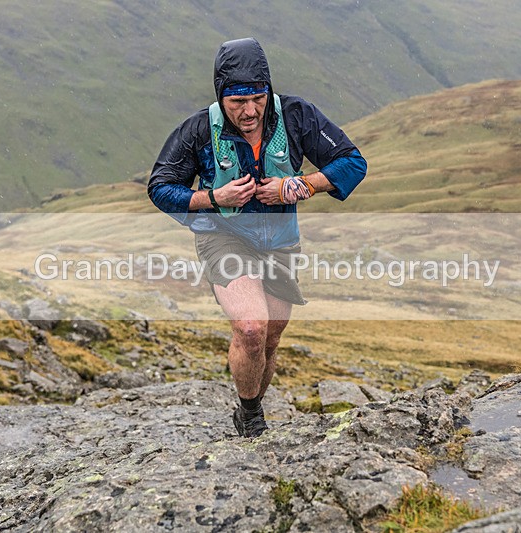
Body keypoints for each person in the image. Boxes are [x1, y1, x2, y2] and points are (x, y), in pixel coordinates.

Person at [148, 37, 367, 437]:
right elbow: (161, 188)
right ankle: (251, 419)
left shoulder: (297, 116)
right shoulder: (198, 130)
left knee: (270, 336)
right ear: (221, 96)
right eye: (237, 102)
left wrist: (298, 186)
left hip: (280, 240)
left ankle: (251, 404)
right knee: (251, 328)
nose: (249, 111)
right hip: (224, 236)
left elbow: (353, 163)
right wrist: (212, 197)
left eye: (257, 98)